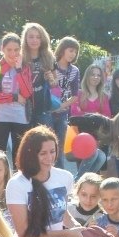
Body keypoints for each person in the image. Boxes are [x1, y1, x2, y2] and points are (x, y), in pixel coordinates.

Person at [0, 33, 34, 162]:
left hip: (20, 117)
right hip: (0, 117)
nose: (13, 54)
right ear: (2, 49)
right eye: (9, 50)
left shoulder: (25, 67)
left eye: (16, 50)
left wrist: (18, 70)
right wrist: (14, 97)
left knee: (20, 158)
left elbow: (27, 93)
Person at [18, 23, 58, 128]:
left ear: (42, 39)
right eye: (31, 37)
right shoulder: (19, 58)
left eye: (38, 37)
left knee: (45, 138)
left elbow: (55, 83)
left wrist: (51, 79)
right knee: (24, 138)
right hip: (23, 108)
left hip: (44, 109)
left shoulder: (49, 57)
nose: (34, 40)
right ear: (25, 38)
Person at [50, 36, 81, 168]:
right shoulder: (51, 66)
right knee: (47, 144)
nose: (72, 54)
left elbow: (75, 96)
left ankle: (59, 173)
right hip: (47, 111)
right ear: (62, 49)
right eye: (70, 50)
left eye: (75, 52)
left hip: (63, 112)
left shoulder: (74, 71)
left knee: (60, 147)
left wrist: (61, 106)